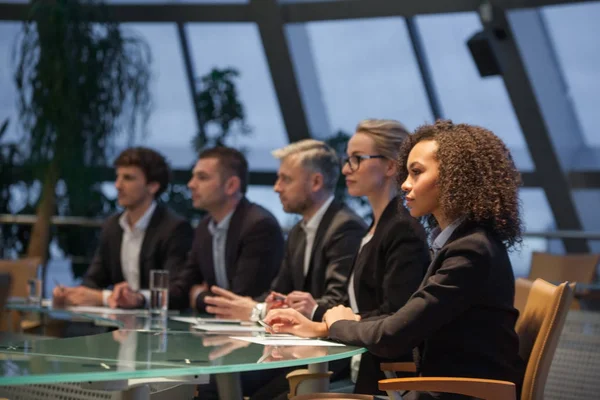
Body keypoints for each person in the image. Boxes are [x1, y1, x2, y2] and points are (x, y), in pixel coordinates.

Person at [265, 120, 526, 400]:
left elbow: (394, 335)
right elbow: (402, 322)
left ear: (455, 178)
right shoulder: (464, 243)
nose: (404, 184)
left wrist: (335, 324)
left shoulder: (471, 250)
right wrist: (323, 325)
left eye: (416, 173)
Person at [202, 140, 366, 400]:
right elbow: (279, 293)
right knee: (215, 380)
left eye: (285, 179)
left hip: (331, 354)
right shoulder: (299, 231)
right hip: (294, 347)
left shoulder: (346, 228)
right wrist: (263, 304)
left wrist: (257, 310)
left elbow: (338, 304)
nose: (276, 187)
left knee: (227, 385)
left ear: (315, 182)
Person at [52, 147, 193, 309]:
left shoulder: (174, 228)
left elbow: (176, 293)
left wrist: (135, 298)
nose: (118, 185)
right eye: (117, 177)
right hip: (120, 325)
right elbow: (93, 280)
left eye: (128, 178)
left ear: (152, 186)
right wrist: (72, 293)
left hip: (159, 327)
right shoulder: (112, 226)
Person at [168, 146, 284, 312]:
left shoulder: (259, 226)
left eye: (202, 177)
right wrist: (139, 297)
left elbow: (242, 300)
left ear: (231, 185)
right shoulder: (205, 226)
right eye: (193, 177)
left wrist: (199, 297)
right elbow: (185, 286)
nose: (191, 184)